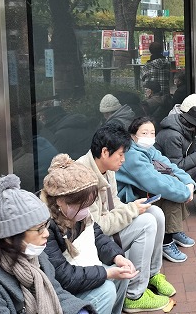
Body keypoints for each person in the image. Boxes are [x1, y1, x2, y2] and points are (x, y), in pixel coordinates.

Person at [0, 174, 95, 314]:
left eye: (46, 225)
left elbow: (56, 293)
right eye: (39, 229)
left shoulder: (35, 258)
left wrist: (80, 310)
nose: (46, 233)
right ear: (10, 236)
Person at [76, 125, 176, 312]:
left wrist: (134, 207)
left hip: (108, 227)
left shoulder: (106, 168)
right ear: (105, 152)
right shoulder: (83, 178)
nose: (123, 159)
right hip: (95, 240)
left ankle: (152, 275)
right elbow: (95, 227)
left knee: (155, 213)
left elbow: (113, 201)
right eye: (120, 155)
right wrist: (131, 210)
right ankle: (134, 294)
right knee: (146, 223)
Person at [41, 154, 135, 314]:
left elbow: (97, 236)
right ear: (60, 201)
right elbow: (64, 276)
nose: (86, 211)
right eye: (82, 205)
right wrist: (106, 273)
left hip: (83, 268)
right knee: (107, 290)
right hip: (62, 290)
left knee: (122, 276)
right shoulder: (45, 227)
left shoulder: (77, 214)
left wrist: (117, 257)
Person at [116, 118, 196, 263]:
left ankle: (174, 229)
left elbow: (170, 166)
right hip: (127, 197)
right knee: (168, 191)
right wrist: (185, 192)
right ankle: (166, 241)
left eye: (152, 133)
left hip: (142, 188)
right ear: (133, 135)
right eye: (144, 133)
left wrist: (188, 182)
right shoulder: (131, 154)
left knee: (174, 184)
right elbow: (155, 182)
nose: (149, 137)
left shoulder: (149, 149)